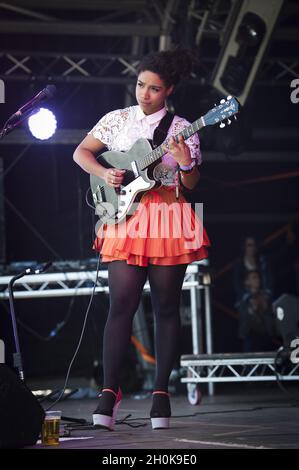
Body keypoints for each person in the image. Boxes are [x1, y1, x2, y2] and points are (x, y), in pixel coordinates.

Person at [73, 48, 210, 430]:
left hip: (168, 215)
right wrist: (104, 173)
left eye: (154, 88)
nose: (144, 94)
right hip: (126, 218)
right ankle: (109, 391)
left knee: (167, 307)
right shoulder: (116, 120)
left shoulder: (183, 126)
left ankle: (161, 392)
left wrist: (185, 161)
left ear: (169, 90)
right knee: (122, 304)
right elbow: (81, 153)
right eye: (140, 85)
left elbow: (192, 182)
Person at [238, 270, 277, 352]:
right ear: (247, 282)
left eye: (258, 277)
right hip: (251, 340)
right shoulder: (244, 301)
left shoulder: (266, 296)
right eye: (254, 278)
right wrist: (251, 312)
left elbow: (272, 322)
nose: (258, 280)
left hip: (267, 339)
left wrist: (265, 308)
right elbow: (243, 329)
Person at [233, 236, 272, 305]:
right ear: (244, 247)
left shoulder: (262, 261)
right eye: (249, 245)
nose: (252, 248)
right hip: (247, 301)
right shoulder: (239, 264)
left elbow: (269, 278)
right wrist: (247, 298)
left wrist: (266, 294)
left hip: (263, 298)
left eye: (253, 245)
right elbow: (237, 284)